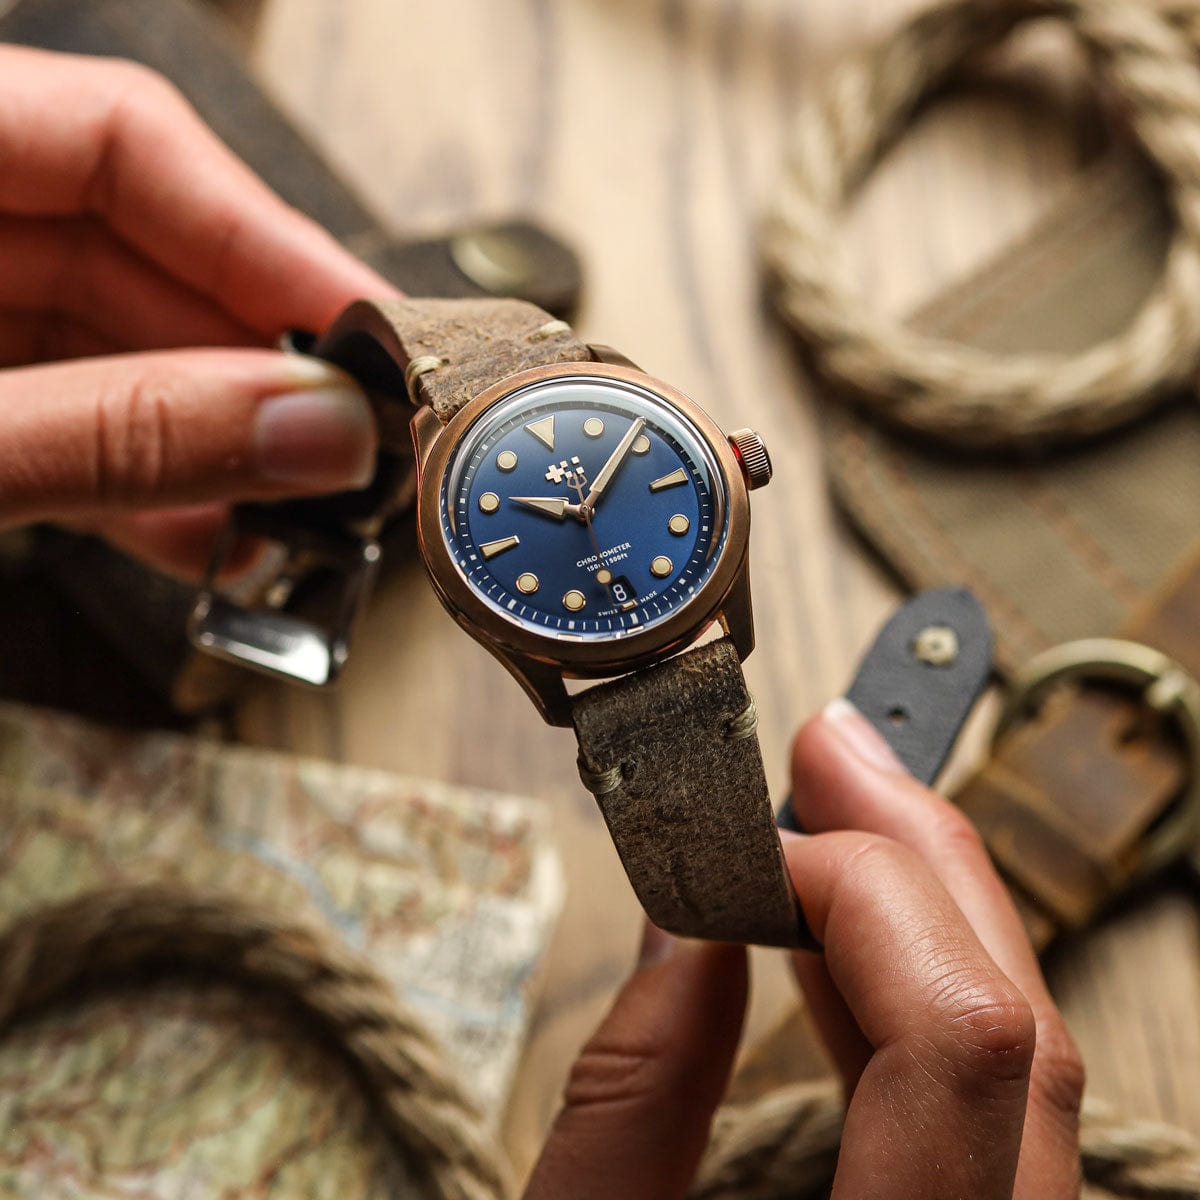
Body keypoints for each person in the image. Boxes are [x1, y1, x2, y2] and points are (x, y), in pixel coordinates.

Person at [0, 45, 1084, 1199]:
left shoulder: (630, 499)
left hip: (664, 621)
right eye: (557, 505)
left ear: (732, 471)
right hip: (594, 639)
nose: (577, 503)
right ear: (455, 560)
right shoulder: (473, 527)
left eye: (601, 483)